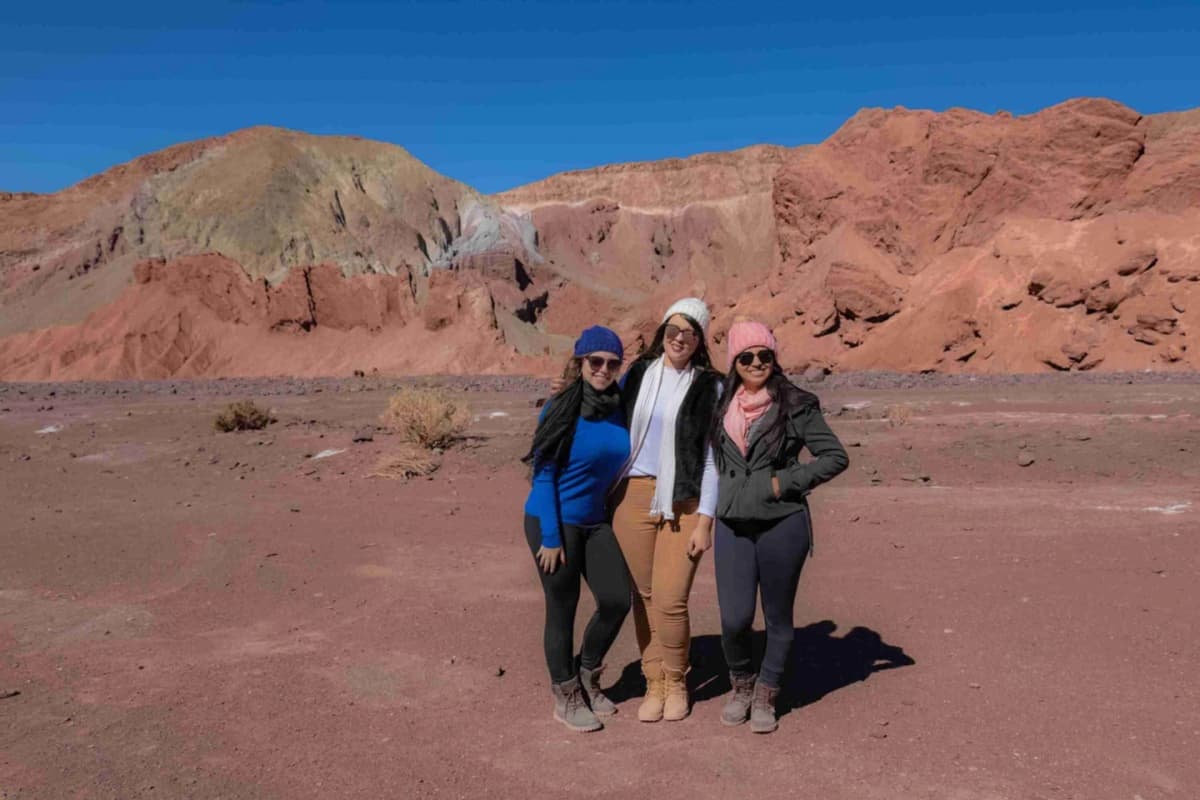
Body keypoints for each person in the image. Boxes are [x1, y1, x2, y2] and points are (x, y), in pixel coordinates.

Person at [711, 320, 849, 733]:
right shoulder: (722, 404)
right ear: (734, 362)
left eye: (764, 355)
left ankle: (766, 692)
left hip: (781, 523)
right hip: (732, 523)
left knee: (777, 618)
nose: (756, 363)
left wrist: (782, 482)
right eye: (746, 357)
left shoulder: (795, 403)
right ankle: (741, 683)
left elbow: (835, 456)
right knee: (734, 619)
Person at [610, 298, 723, 722]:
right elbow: (603, 413)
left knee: (671, 599)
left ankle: (676, 680)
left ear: (699, 341)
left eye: (689, 333)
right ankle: (653, 681)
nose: (679, 339)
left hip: (684, 501)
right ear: (662, 332)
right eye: (673, 330)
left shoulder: (710, 386)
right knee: (645, 598)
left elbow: (712, 459)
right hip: (633, 496)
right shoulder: (638, 374)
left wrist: (706, 519)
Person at [522, 325, 633, 732]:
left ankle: (587, 672)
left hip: (594, 521)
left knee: (617, 599)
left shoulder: (619, 406)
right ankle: (565, 694)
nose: (603, 369)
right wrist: (551, 538)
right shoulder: (561, 406)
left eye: (612, 363)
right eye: (595, 361)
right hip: (552, 519)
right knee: (562, 606)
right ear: (581, 362)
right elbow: (543, 474)